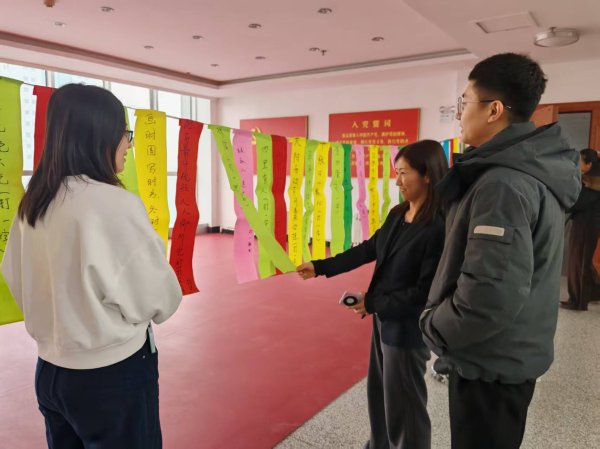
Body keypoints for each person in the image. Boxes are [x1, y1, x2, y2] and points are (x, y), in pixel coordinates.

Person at [1, 84, 182, 449]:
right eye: (124, 133)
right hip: (111, 376)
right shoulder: (113, 203)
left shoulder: (34, 202)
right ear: (100, 136)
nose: (128, 144)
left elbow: (16, 278)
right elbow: (160, 299)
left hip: (50, 371)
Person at [419, 53, 581, 449]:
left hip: (489, 364)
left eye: (464, 102)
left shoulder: (503, 185)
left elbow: (488, 297)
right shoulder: (525, 172)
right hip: (506, 353)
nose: (459, 114)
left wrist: (433, 326)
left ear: (493, 110)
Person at [297, 140, 448, 449]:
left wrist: (372, 302)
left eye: (404, 173)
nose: (397, 181)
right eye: (396, 172)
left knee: (405, 407)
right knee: (380, 396)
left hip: (406, 331)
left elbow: (423, 294)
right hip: (383, 321)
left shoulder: (438, 227)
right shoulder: (399, 214)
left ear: (427, 175)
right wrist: (320, 266)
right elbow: (368, 249)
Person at [562, 148, 600, 310]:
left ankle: (578, 301)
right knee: (581, 261)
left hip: (587, 225)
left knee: (580, 262)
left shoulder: (593, 181)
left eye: (580, 161)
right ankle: (593, 293)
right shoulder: (591, 178)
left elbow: (578, 202)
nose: (577, 164)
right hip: (585, 224)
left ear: (589, 164)